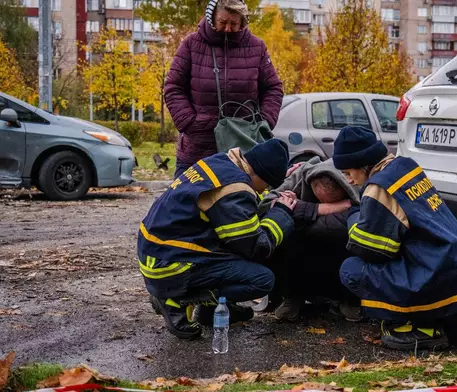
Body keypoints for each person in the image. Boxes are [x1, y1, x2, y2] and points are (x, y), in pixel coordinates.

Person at [332, 126, 457, 350]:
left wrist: (353, 215)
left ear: (363, 164)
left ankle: (421, 327)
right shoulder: (406, 167)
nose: (348, 180)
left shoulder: (379, 187)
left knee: (352, 269)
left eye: (348, 173)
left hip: (439, 278)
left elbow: (370, 249)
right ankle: (443, 321)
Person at [137, 139, 296, 339]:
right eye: (266, 185)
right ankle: (177, 300)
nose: (263, 191)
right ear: (258, 174)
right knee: (261, 279)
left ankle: (212, 309)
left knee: (230, 249)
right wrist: (281, 214)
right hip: (170, 263)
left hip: (157, 253)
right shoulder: (235, 188)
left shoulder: (220, 163)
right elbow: (255, 248)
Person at [165, 0, 284, 178]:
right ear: (212, 18)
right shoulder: (191, 44)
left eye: (234, 24)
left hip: (242, 147)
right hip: (197, 146)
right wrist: (189, 122)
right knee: (183, 202)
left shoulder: (257, 47)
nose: (228, 28)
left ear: (243, 22)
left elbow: (273, 88)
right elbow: (173, 87)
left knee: (239, 202)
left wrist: (264, 122)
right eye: (223, 22)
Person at [258, 158, 362, 321]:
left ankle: (348, 298)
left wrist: (296, 210)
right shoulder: (300, 175)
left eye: (331, 202)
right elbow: (265, 206)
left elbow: (352, 216)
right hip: (305, 244)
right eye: (319, 199)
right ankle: (293, 296)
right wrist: (322, 209)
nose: (323, 204)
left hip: (336, 245)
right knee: (279, 231)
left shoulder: (355, 180)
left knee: (342, 234)